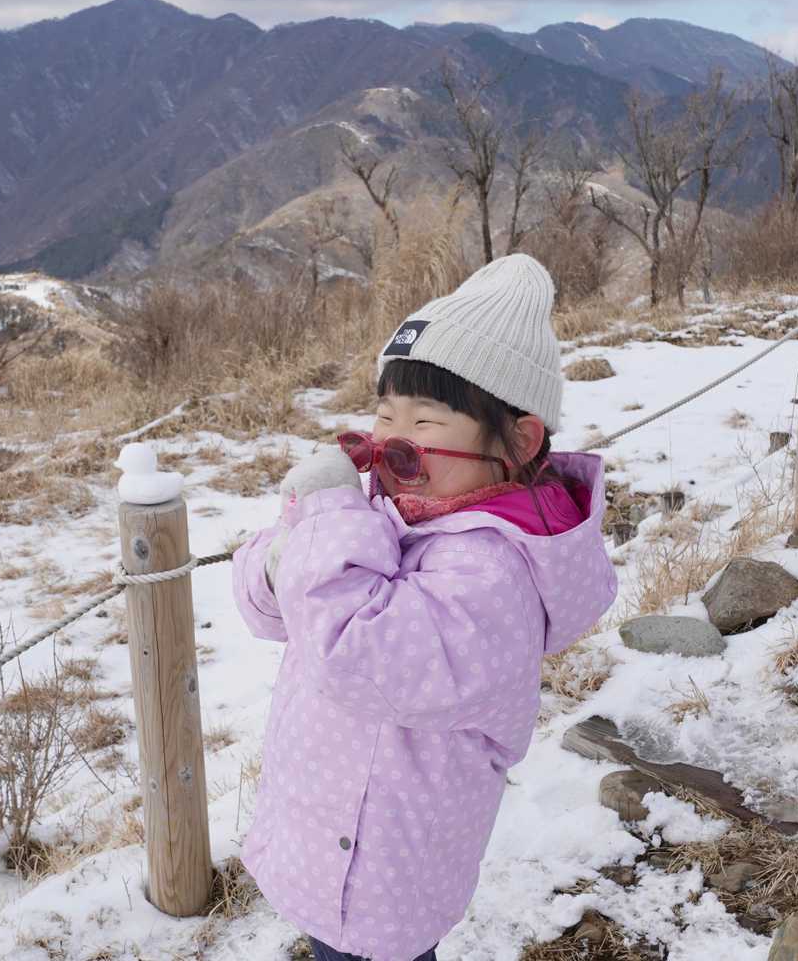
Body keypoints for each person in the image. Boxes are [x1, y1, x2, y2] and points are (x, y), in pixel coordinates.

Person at [232, 253, 618, 961]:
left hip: (380, 871)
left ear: (519, 440)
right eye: (384, 415)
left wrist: (325, 525)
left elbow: (357, 654)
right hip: (329, 829)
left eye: (426, 420)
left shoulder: (493, 573)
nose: (392, 440)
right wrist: (290, 548)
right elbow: (265, 611)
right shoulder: (396, 511)